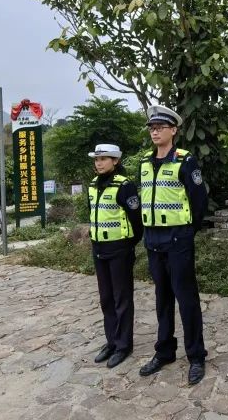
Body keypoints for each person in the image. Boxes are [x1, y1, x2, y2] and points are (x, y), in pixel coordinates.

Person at [136, 105, 208, 385]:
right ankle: (164, 351)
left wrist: (188, 232)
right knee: (162, 299)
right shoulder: (144, 163)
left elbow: (199, 201)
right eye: (152, 128)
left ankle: (196, 356)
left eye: (160, 128)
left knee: (186, 299)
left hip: (178, 239)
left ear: (173, 130)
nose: (155, 132)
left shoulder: (184, 161)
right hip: (153, 240)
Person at [87, 143, 143, 368]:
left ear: (115, 161)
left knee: (122, 299)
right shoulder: (93, 185)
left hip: (120, 249)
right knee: (106, 299)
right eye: (97, 159)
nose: (99, 163)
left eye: (103, 159)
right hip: (99, 248)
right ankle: (111, 341)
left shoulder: (125, 186)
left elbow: (136, 219)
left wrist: (128, 244)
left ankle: (123, 345)